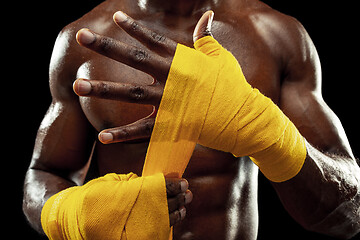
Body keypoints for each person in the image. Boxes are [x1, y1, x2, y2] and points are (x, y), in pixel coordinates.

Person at [23, 0, 360, 239]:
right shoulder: (82, 40)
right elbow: (43, 174)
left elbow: (348, 215)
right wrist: (73, 215)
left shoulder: (276, 36)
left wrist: (265, 129)